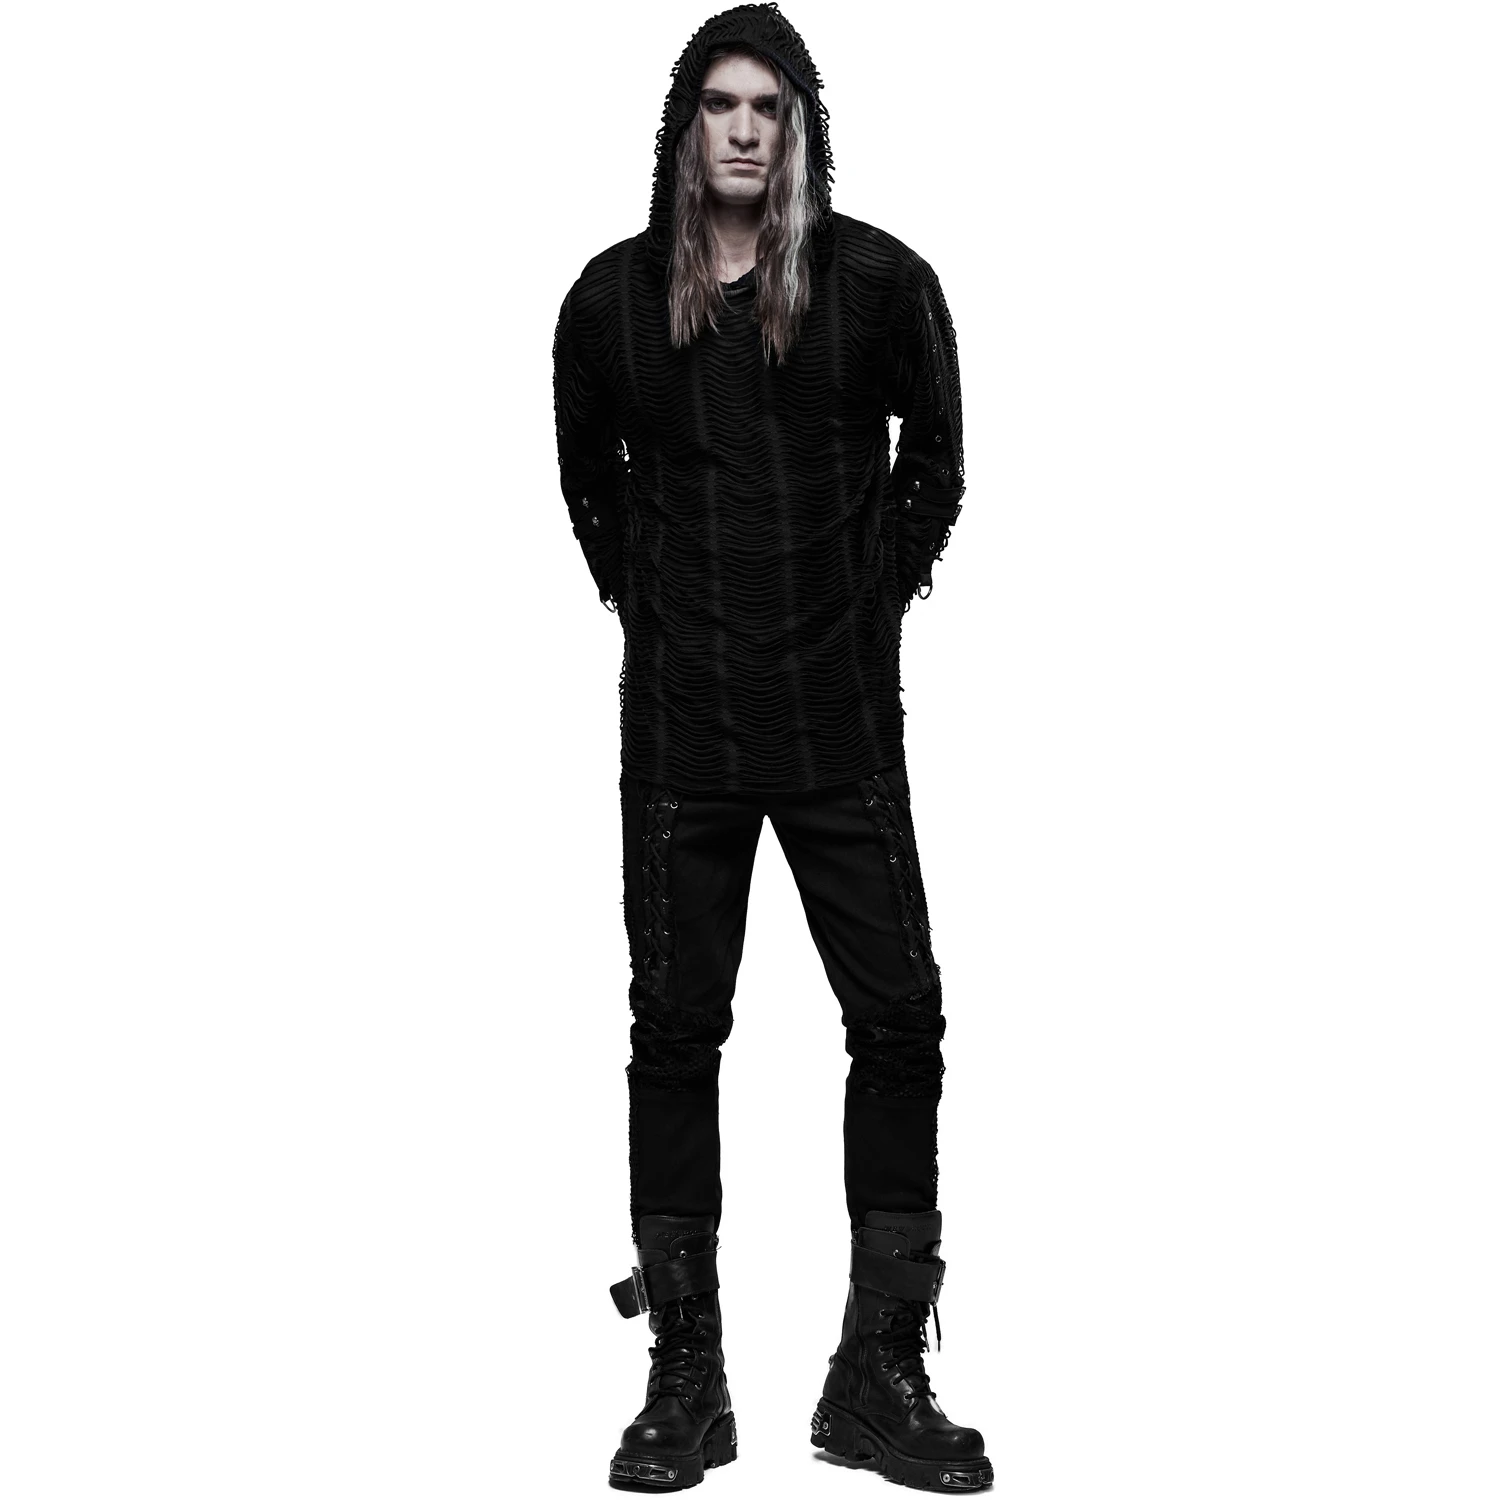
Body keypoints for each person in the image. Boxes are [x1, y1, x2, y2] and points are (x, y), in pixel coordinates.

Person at [552, 4, 991, 1490]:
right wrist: (665, 612)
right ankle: (688, 1377)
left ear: (799, 129)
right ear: (684, 127)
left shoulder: (880, 286)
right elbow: (588, 486)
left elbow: (939, 461)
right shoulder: (610, 306)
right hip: (682, 732)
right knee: (675, 1034)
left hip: (837, 721)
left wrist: (864, 604)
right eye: (721, 105)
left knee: (902, 1020)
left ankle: (878, 1373)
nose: (744, 130)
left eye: (770, 107)